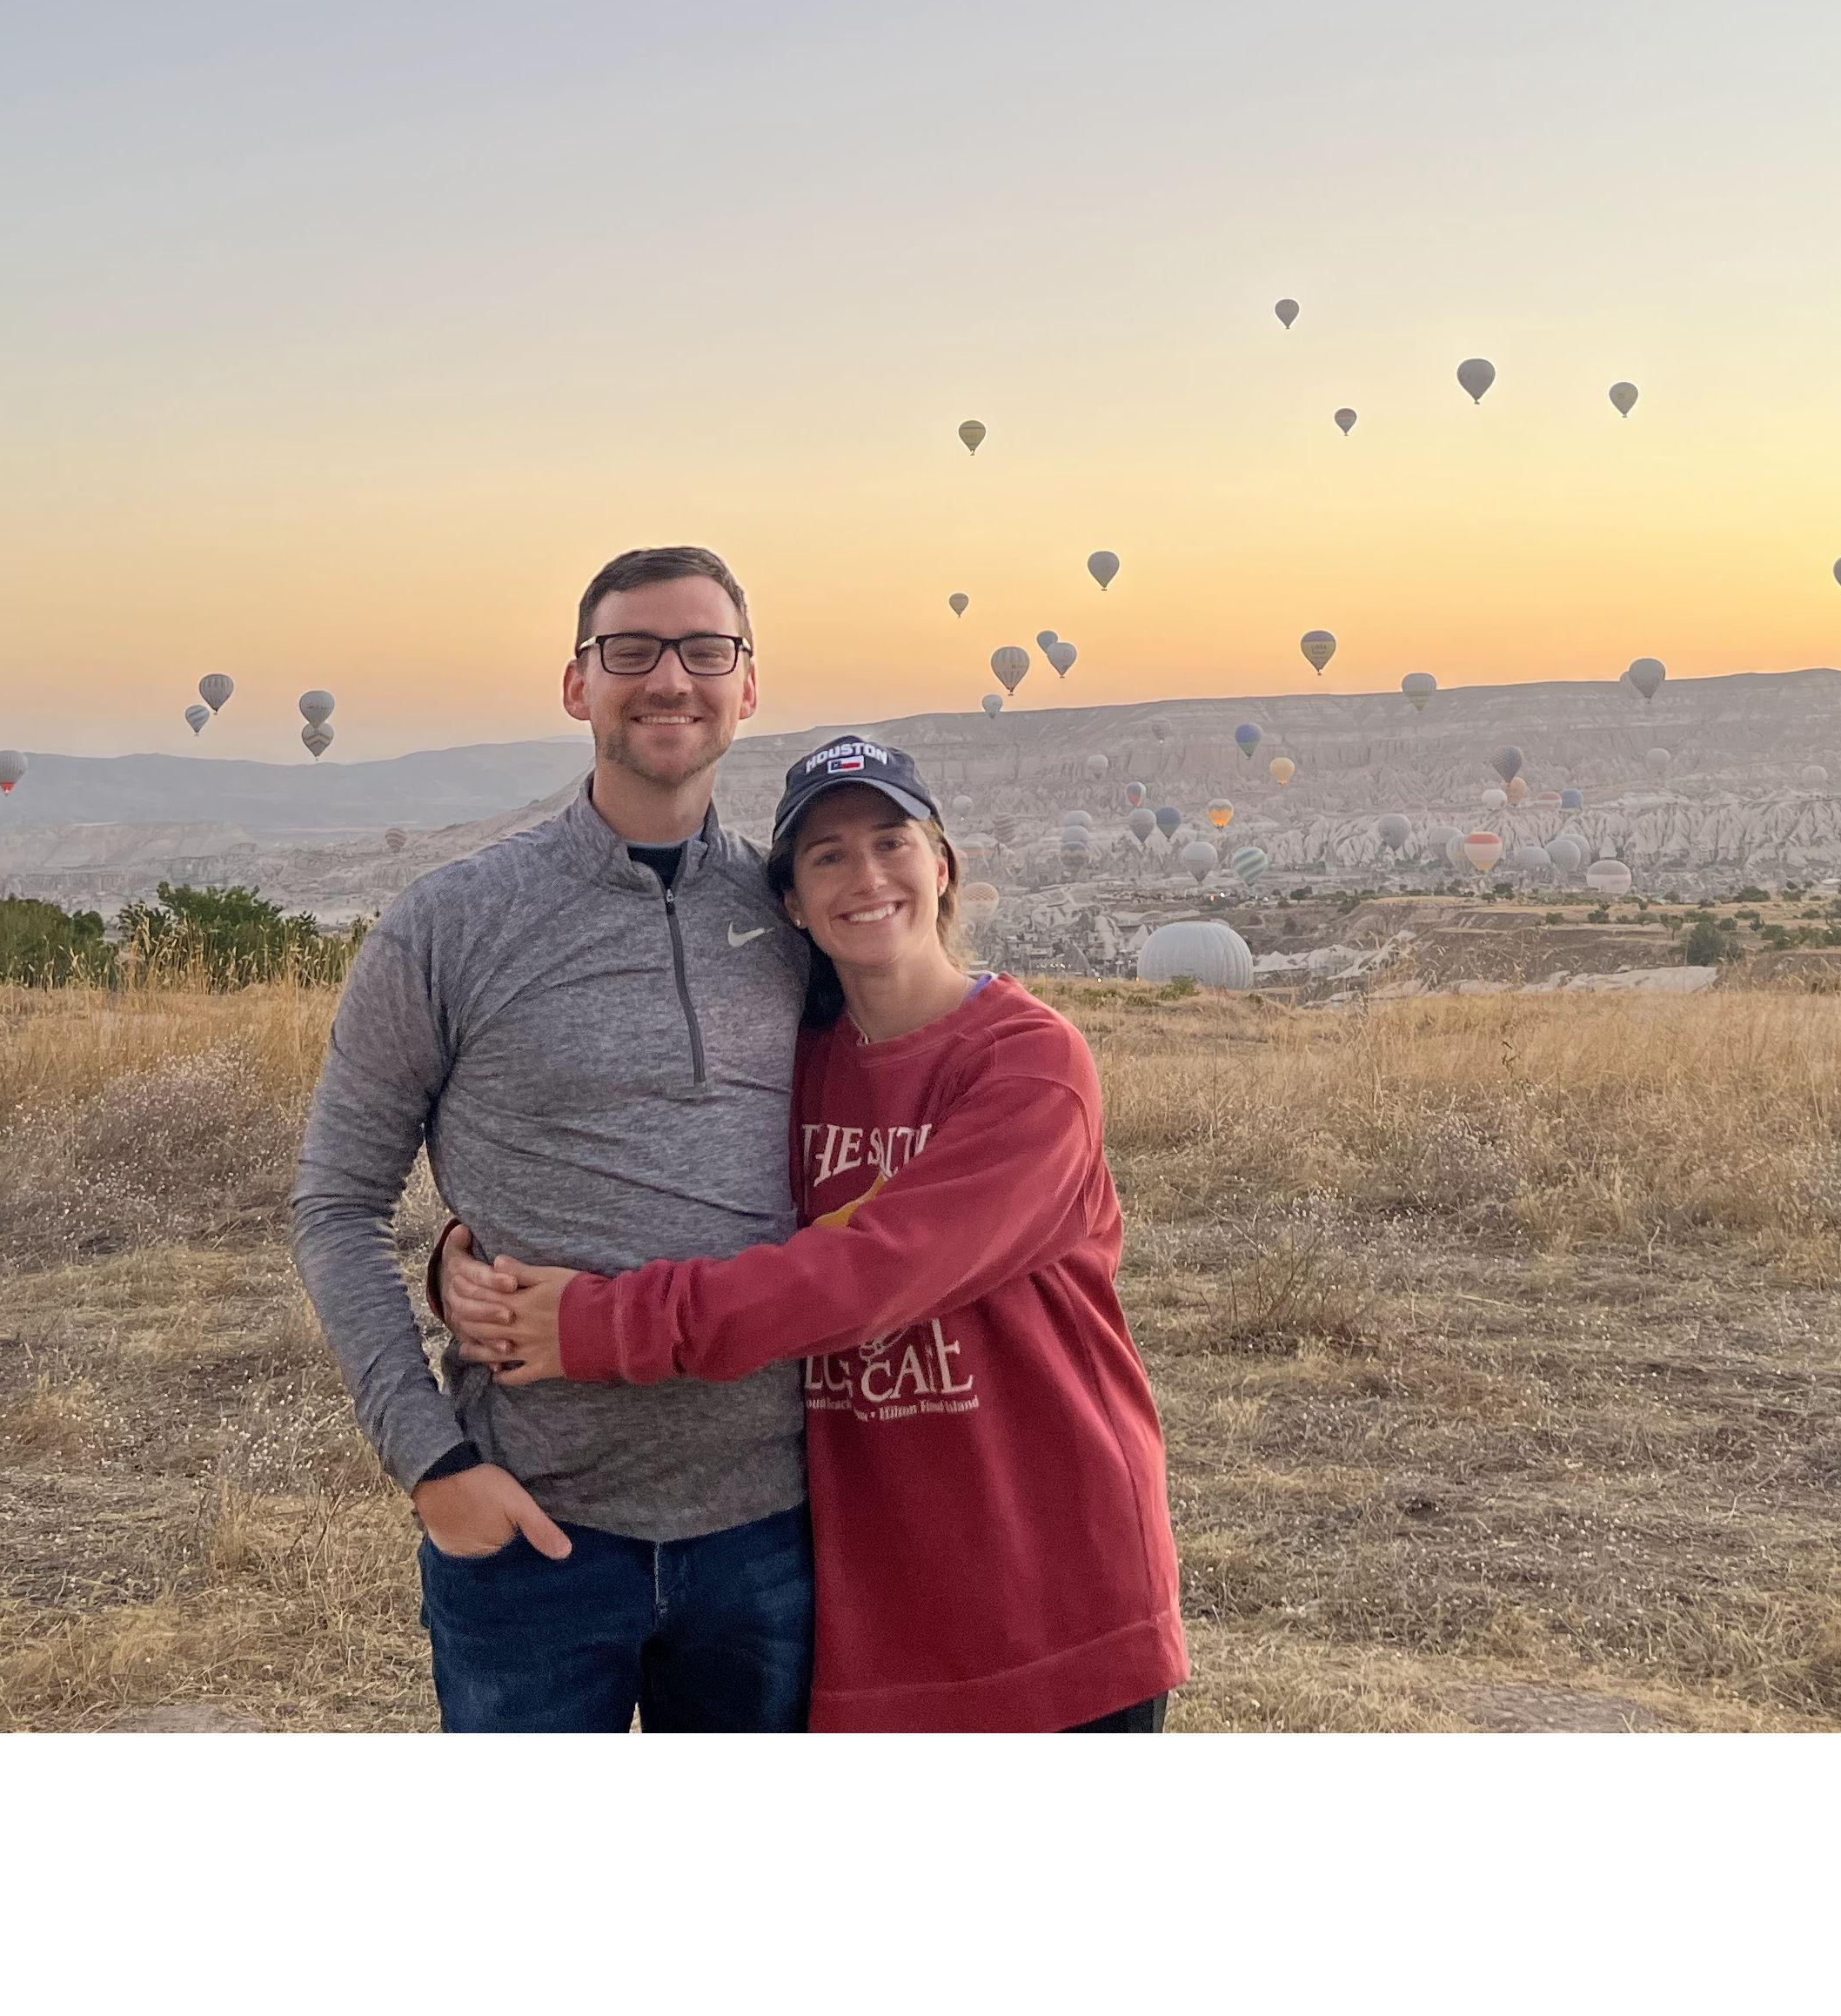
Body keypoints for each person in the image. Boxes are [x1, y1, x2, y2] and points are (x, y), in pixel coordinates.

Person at [444, 734, 1186, 1733]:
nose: (867, 877)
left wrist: (599, 1325)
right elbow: (663, 1186)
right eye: (829, 856)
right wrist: (481, 1257)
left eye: (891, 843)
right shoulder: (791, 1068)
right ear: (791, 901)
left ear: (942, 866)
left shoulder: (1029, 1062)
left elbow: (877, 1269)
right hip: (878, 1603)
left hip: (1052, 1589)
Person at [291, 545, 816, 1734]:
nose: (669, 679)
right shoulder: (452, 921)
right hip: (532, 1531)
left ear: (747, 685)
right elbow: (336, 1202)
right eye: (631, 651)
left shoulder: (802, 918)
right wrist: (432, 1465)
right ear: (578, 685)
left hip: (773, 1529)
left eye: (705, 651)